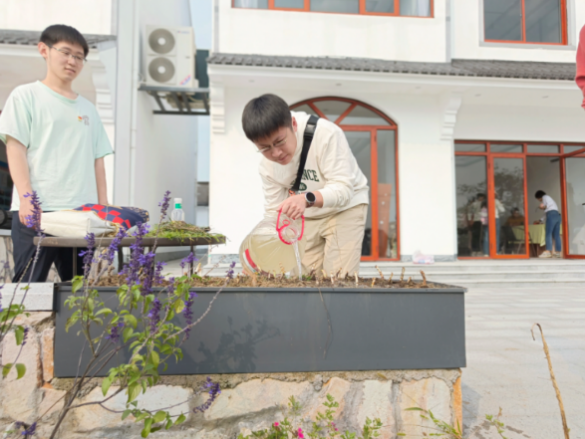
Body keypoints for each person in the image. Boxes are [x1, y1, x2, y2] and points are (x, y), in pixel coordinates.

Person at [0, 25, 113, 282]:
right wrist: (26, 198)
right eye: (65, 52)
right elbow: (15, 149)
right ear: (44, 50)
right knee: (28, 289)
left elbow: (98, 161)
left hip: (81, 214)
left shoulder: (88, 109)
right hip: (38, 211)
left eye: (79, 57)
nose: (72, 61)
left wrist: (103, 207)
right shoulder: (25, 96)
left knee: (77, 289)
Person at [242, 94, 369, 276]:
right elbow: (274, 213)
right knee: (303, 279)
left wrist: (306, 199)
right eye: (265, 148)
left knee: (338, 278)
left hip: (345, 207)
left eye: (279, 142)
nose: (276, 153)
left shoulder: (326, 134)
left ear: (293, 125)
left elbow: (343, 189)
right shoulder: (267, 168)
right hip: (306, 215)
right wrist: (264, 257)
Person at [534, 190, 561, 258]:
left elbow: (548, 207)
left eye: (538, 199)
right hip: (557, 215)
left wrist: (542, 207)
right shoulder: (549, 199)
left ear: (539, 197)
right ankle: (558, 253)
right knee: (556, 235)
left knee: (548, 233)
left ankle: (548, 252)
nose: (539, 201)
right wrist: (540, 220)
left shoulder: (545, 197)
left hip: (551, 215)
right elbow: (547, 212)